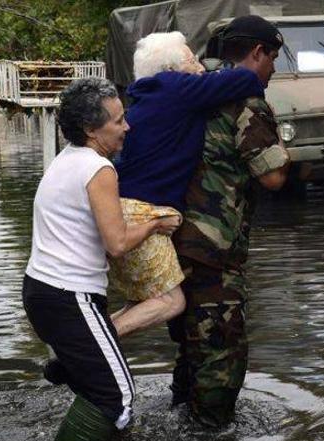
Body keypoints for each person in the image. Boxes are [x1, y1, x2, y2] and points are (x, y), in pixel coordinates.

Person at [22, 77, 181, 441]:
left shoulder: (66, 160)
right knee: (117, 396)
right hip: (67, 296)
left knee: (100, 393)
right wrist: (157, 224)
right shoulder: (99, 170)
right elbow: (117, 242)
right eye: (118, 121)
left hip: (43, 292)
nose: (127, 127)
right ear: (91, 129)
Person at [168, 15, 291, 427]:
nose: (274, 68)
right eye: (273, 57)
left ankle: (182, 427)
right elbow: (273, 177)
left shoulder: (193, 91)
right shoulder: (247, 102)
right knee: (222, 353)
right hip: (215, 252)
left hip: (172, 244)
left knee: (191, 346)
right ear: (257, 53)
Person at [108, 31, 266, 338]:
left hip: (125, 211)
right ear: (172, 68)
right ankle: (89, 348)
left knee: (142, 302)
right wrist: (221, 72)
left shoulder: (146, 96)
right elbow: (248, 80)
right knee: (171, 301)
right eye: (192, 59)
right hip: (143, 213)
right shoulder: (173, 88)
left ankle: (83, 346)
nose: (201, 67)